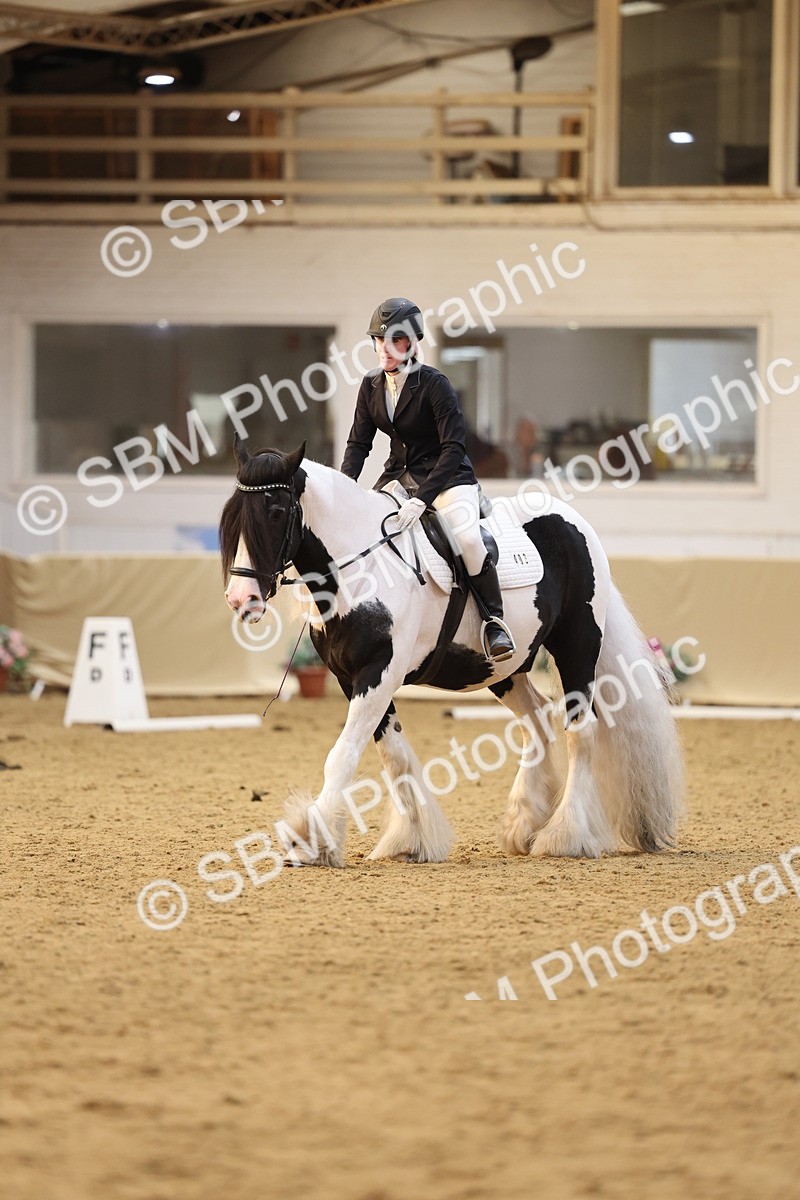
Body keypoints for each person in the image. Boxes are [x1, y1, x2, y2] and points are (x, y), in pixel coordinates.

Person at [340, 296, 515, 662]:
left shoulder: (435, 384)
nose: (383, 349)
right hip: (398, 479)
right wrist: (345, 489)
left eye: (394, 341)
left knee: (467, 537)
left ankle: (494, 621)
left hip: (448, 479)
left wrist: (423, 498)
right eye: (378, 340)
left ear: (412, 342)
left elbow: (454, 447)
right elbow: (359, 444)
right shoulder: (370, 386)